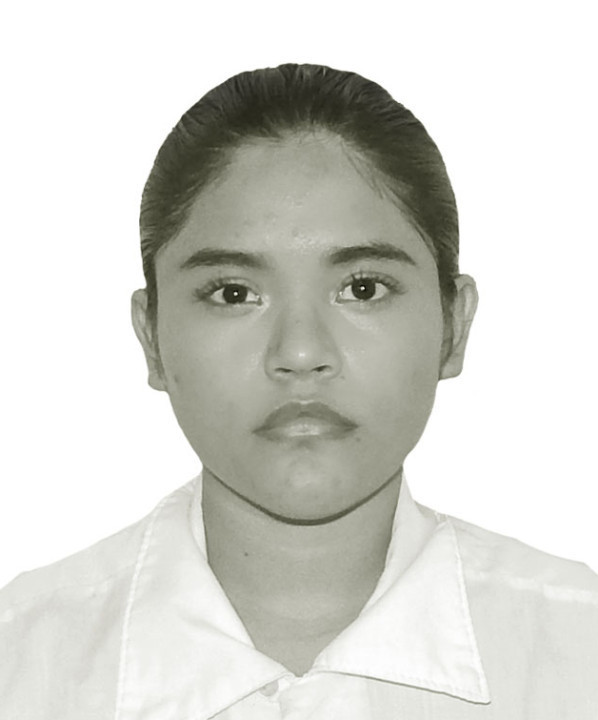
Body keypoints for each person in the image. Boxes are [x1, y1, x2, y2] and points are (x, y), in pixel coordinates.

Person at [1, 63, 596, 719]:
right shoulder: (22, 667)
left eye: (362, 288)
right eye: (234, 293)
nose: (301, 352)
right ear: (152, 338)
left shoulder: (578, 651)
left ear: (453, 326)